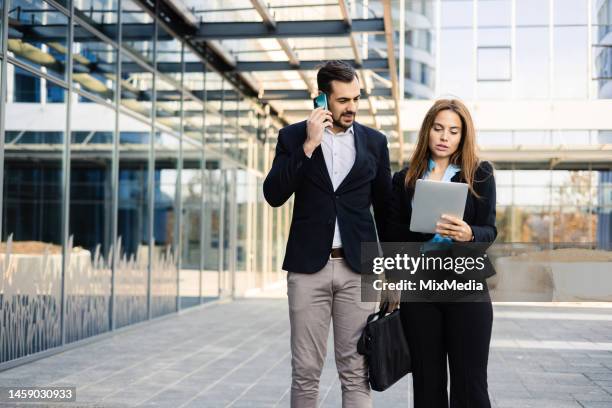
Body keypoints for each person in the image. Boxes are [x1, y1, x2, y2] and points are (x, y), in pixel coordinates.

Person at [263, 60, 392, 408]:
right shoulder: (293, 137)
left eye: (356, 98)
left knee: (356, 371)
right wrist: (308, 145)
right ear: (321, 99)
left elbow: (387, 209)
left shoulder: (375, 143)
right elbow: (273, 194)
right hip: (308, 270)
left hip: (359, 270)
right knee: (305, 371)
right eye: (342, 100)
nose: (351, 107)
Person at [386, 99, 497, 408]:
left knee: (471, 385)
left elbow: (490, 229)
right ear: (427, 131)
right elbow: (393, 237)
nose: (444, 136)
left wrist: (469, 233)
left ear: (463, 136)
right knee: (427, 383)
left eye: (453, 130)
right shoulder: (404, 179)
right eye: (438, 128)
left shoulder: (480, 174)